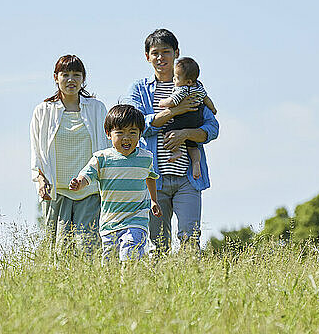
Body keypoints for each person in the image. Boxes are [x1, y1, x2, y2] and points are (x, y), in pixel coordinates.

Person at [124, 29, 219, 252]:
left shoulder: (193, 85)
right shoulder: (138, 89)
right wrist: (174, 112)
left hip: (188, 176)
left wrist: (185, 134)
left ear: (176, 53)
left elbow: (212, 128)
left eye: (166, 52)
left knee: (190, 238)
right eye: (155, 53)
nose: (160, 58)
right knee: (158, 243)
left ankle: (190, 284)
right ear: (147, 56)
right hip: (153, 178)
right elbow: (134, 126)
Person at [30, 55, 109, 253]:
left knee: (88, 248)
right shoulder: (43, 111)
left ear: (83, 78)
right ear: (56, 77)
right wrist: (40, 181)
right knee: (58, 251)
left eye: (76, 75)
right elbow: (37, 152)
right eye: (65, 75)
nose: (71, 80)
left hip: (89, 190)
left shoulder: (97, 108)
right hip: (56, 190)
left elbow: (107, 148)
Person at [69, 104, 162, 262]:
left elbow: (150, 177)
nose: (126, 138)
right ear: (109, 134)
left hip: (137, 217)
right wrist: (79, 183)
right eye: (120, 133)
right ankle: (114, 286)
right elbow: (87, 175)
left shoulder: (146, 157)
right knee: (110, 262)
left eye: (132, 133)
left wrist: (153, 200)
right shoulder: (102, 158)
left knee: (130, 254)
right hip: (110, 221)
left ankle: (131, 284)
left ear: (140, 134)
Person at [158, 57, 217, 179]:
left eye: (177, 78)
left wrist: (162, 102)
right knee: (192, 145)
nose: (174, 79)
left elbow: (173, 101)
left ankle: (176, 151)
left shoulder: (183, 89)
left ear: (188, 82)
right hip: (196, 122)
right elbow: (207, 99)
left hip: (183, 120)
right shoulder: (199, 87)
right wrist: (213, 109)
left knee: (167, 131)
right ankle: (196, 162)